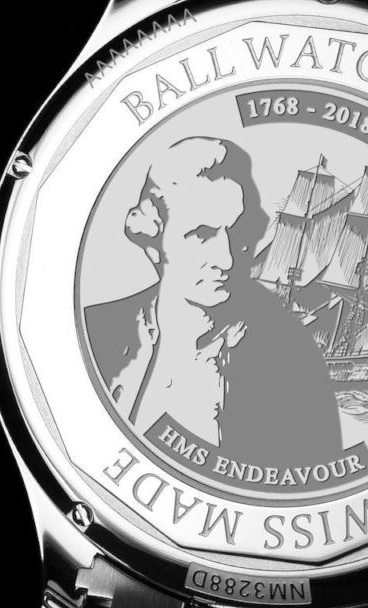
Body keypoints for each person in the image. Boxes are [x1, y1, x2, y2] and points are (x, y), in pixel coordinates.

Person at [84, 137, 351, 474]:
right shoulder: (94, 330)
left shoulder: (293, 368)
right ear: (154, 240)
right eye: (201, 234)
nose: (226, 260)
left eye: (237, 234)